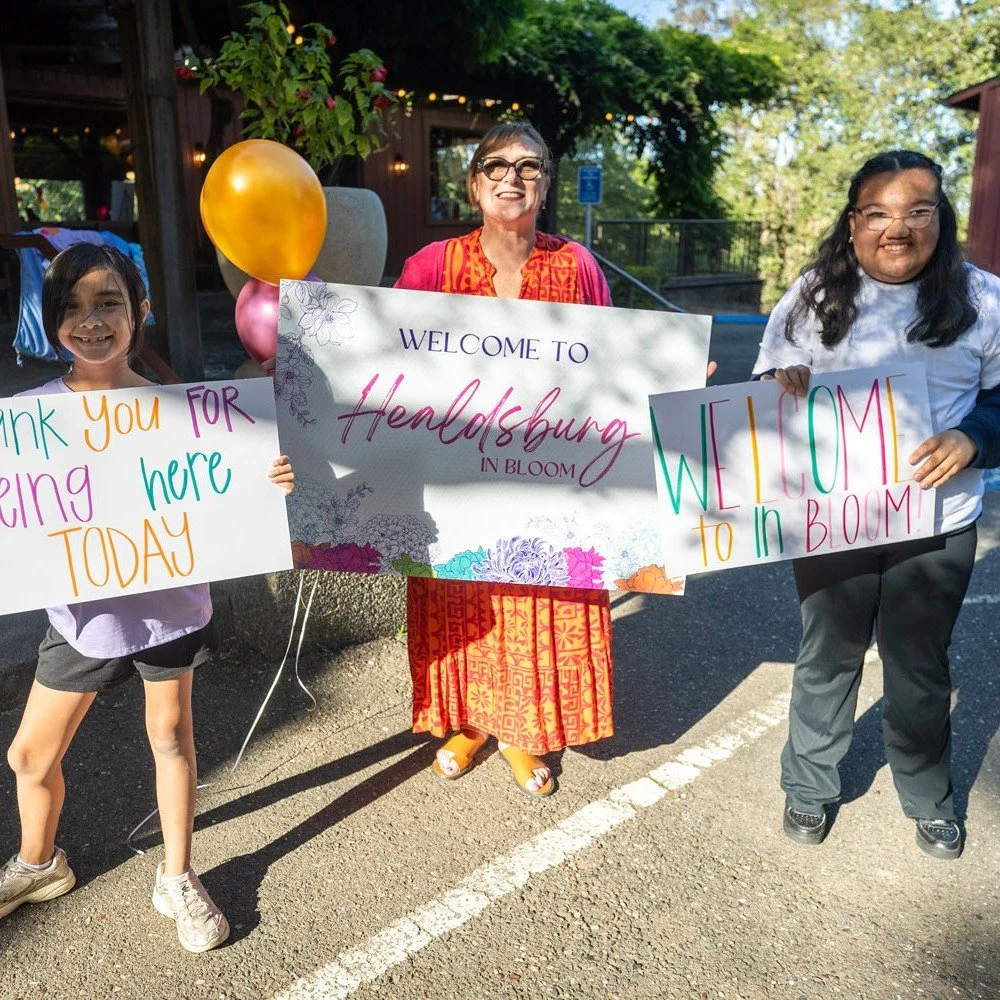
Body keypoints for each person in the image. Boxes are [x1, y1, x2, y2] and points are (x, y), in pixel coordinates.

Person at [0, 244, 296, 949]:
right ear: (51, 321)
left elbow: (233, 494)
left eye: (107, 303)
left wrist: (270, 478)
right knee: (28, 757)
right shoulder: (26, 421)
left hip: (169, 607)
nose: (90, 321)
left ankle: (177, 874)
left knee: (170, 736)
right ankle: (39, 863)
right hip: (83, 619)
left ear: (141, 312)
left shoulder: (187, 411)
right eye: (71, 307)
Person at [753, 150, 1000, 859]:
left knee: (918, 663)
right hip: (833, 515)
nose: (898, 228)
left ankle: (927, 795)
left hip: (937, 520)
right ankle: (808, 788)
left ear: (941, 218)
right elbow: (765, 384)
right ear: (854, 223)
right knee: (828, 652)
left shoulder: (983, 300)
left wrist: (975, 435)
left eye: (917, 211)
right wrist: (783, 378)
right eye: (879, 214)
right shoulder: (814, 293)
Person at [394, 121, 615, 796]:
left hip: (549, 481)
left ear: (545, 184)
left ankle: (521, 731)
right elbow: (386, 361)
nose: (511, 178)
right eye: (496, 166)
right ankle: (467, 722)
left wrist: (668, 382)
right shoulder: (432, 266)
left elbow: (612, 363)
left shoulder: (576, 264)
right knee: (466, 598)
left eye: (528, 167)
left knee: (533, 598)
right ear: (473, 183)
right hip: (458, 477)